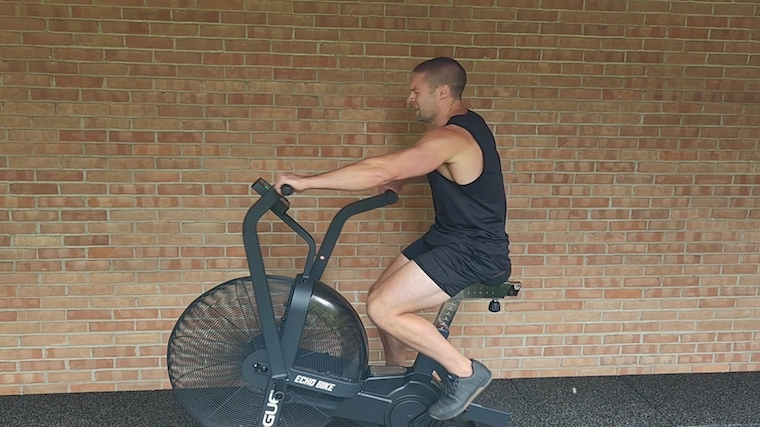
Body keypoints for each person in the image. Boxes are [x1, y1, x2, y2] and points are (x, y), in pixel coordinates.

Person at [274, 57, 511, 421]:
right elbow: (456, 172)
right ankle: (397, 377)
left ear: (442, 92)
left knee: (384, 308)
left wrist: (306, 182)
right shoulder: (466, 127)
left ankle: (465, 373)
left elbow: (380, 168)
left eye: (416, 91)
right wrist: (406, 179)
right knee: (378, 296)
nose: (410, 99)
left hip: (474, 249)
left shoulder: (451, 136)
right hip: (450, 238)